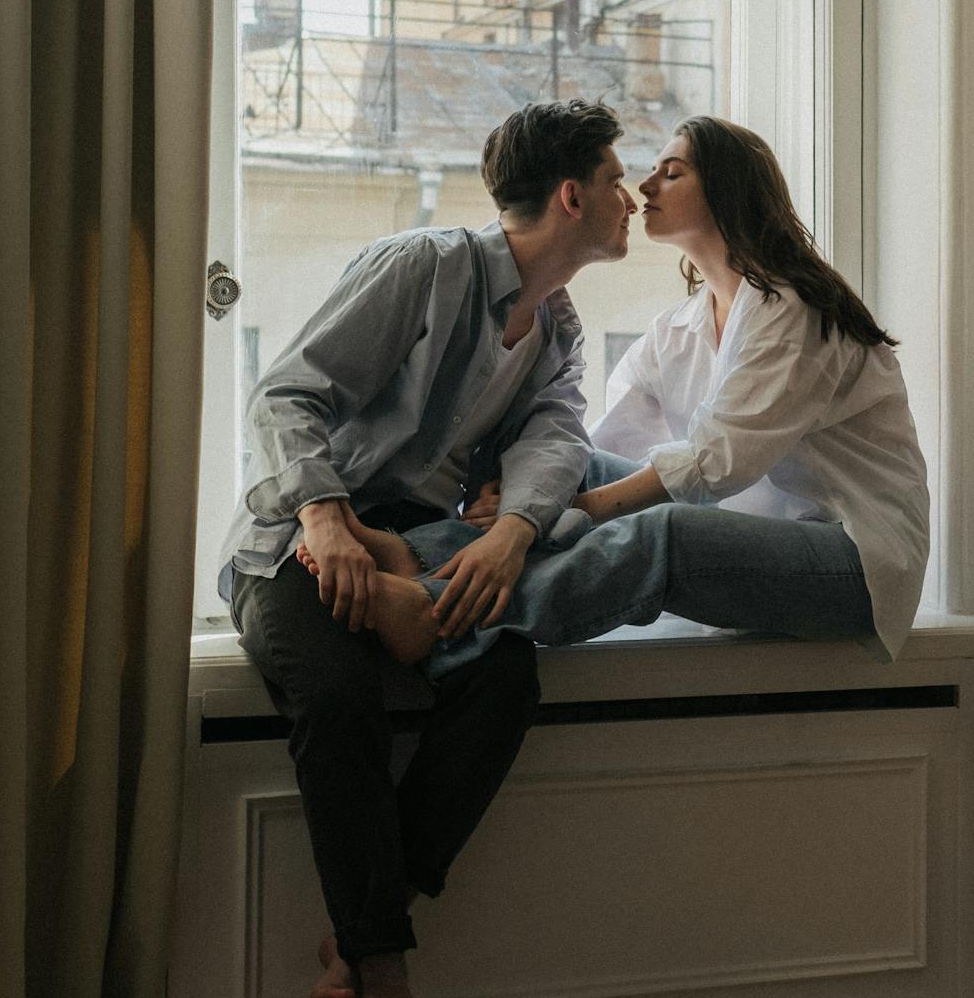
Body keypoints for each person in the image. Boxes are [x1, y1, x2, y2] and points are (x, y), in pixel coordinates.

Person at [217, 98, 634, 998]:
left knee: (503, 676)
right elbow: (285, 396)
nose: (631, 199)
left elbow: (555, 439)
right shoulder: (425, 265)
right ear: (572, 194)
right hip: (302, 532)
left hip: (427, 544)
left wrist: (515, 532)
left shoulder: (559, 328)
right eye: (620, 179)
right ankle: (386, 990)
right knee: (342, 693)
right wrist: (327, 522)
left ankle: (360, 939)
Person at [304, 115, 929, 679]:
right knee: (562, 469)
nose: (645, 188)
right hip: (745, 535)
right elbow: (587, 454)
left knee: (665, 533)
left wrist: (570, 511)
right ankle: (423, 556)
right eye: (645, 173)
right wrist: (528, 501)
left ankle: (431, 609)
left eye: (671, 172)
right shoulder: (677, 330)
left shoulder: (793, 309)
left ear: (727, 190)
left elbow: (715, 465)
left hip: (850, 565)